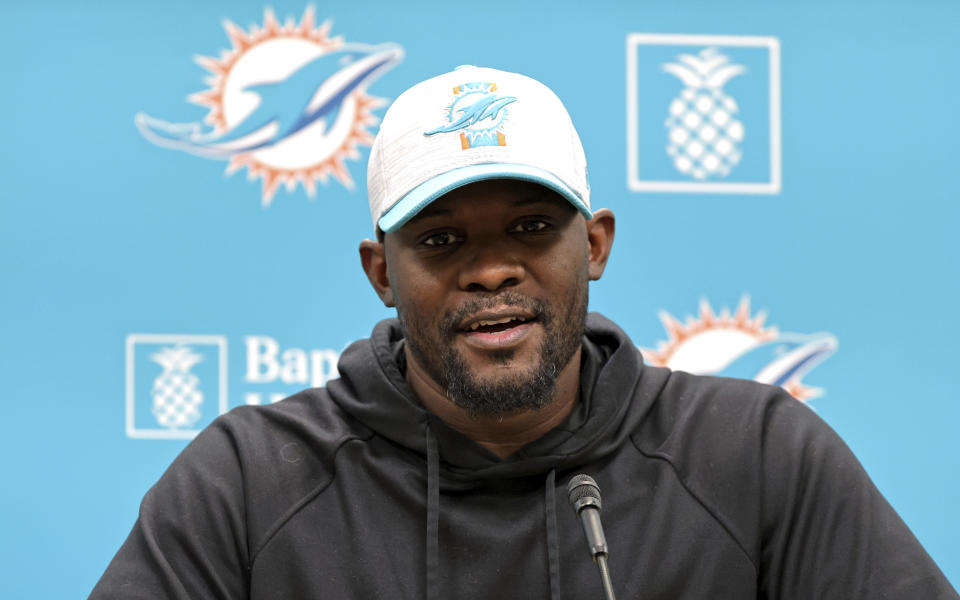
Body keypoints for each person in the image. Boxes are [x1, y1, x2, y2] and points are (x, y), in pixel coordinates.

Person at [90, 66, 957, 599]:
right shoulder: (249, 480)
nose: (492, 270)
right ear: (382, 273)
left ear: (598, 245)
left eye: (533, 229)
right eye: (441, 241)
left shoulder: (757, 454)